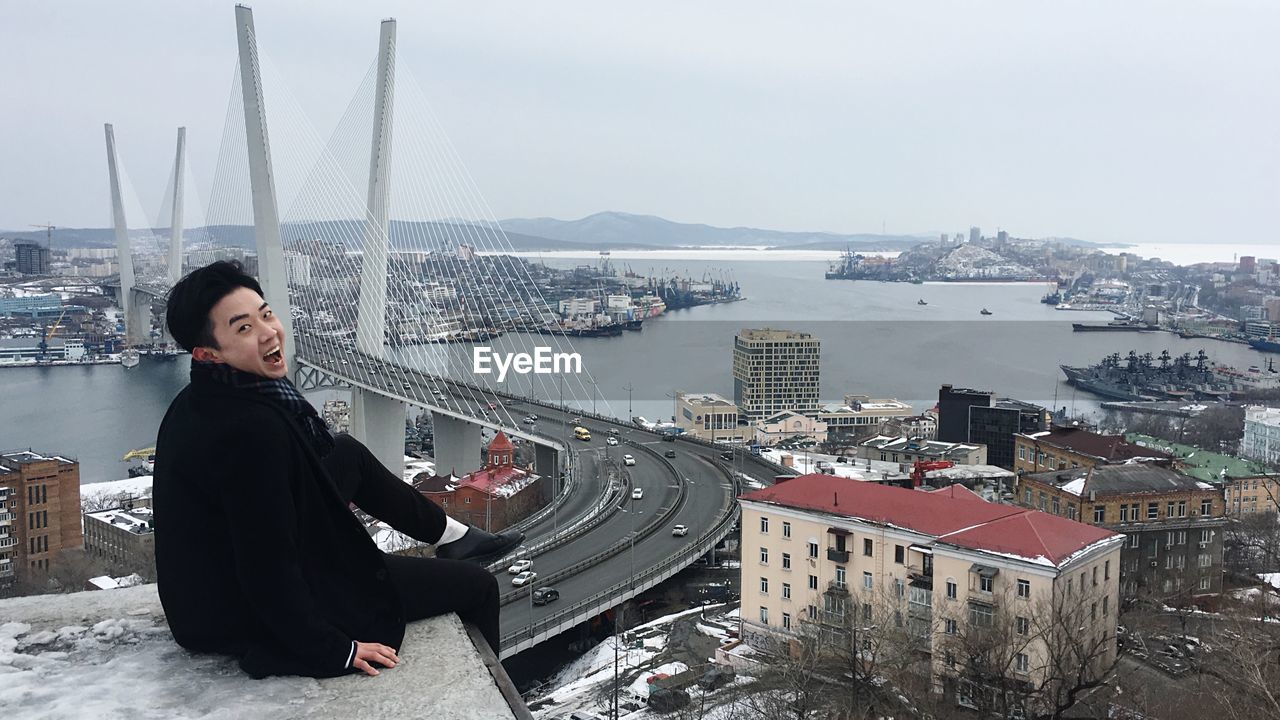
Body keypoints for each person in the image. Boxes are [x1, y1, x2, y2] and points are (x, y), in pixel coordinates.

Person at [153, 260, 522, 679]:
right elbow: (264, 567)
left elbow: (272, 499)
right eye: (243, 328)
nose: (269, 332)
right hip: (232, 608)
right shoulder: (250, 432)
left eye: (266, 313)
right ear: (208, 353)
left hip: (205, 588)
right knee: (478, 588)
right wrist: (335, 651)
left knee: (344, 451)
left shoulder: (208, 396)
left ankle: (455, 536)